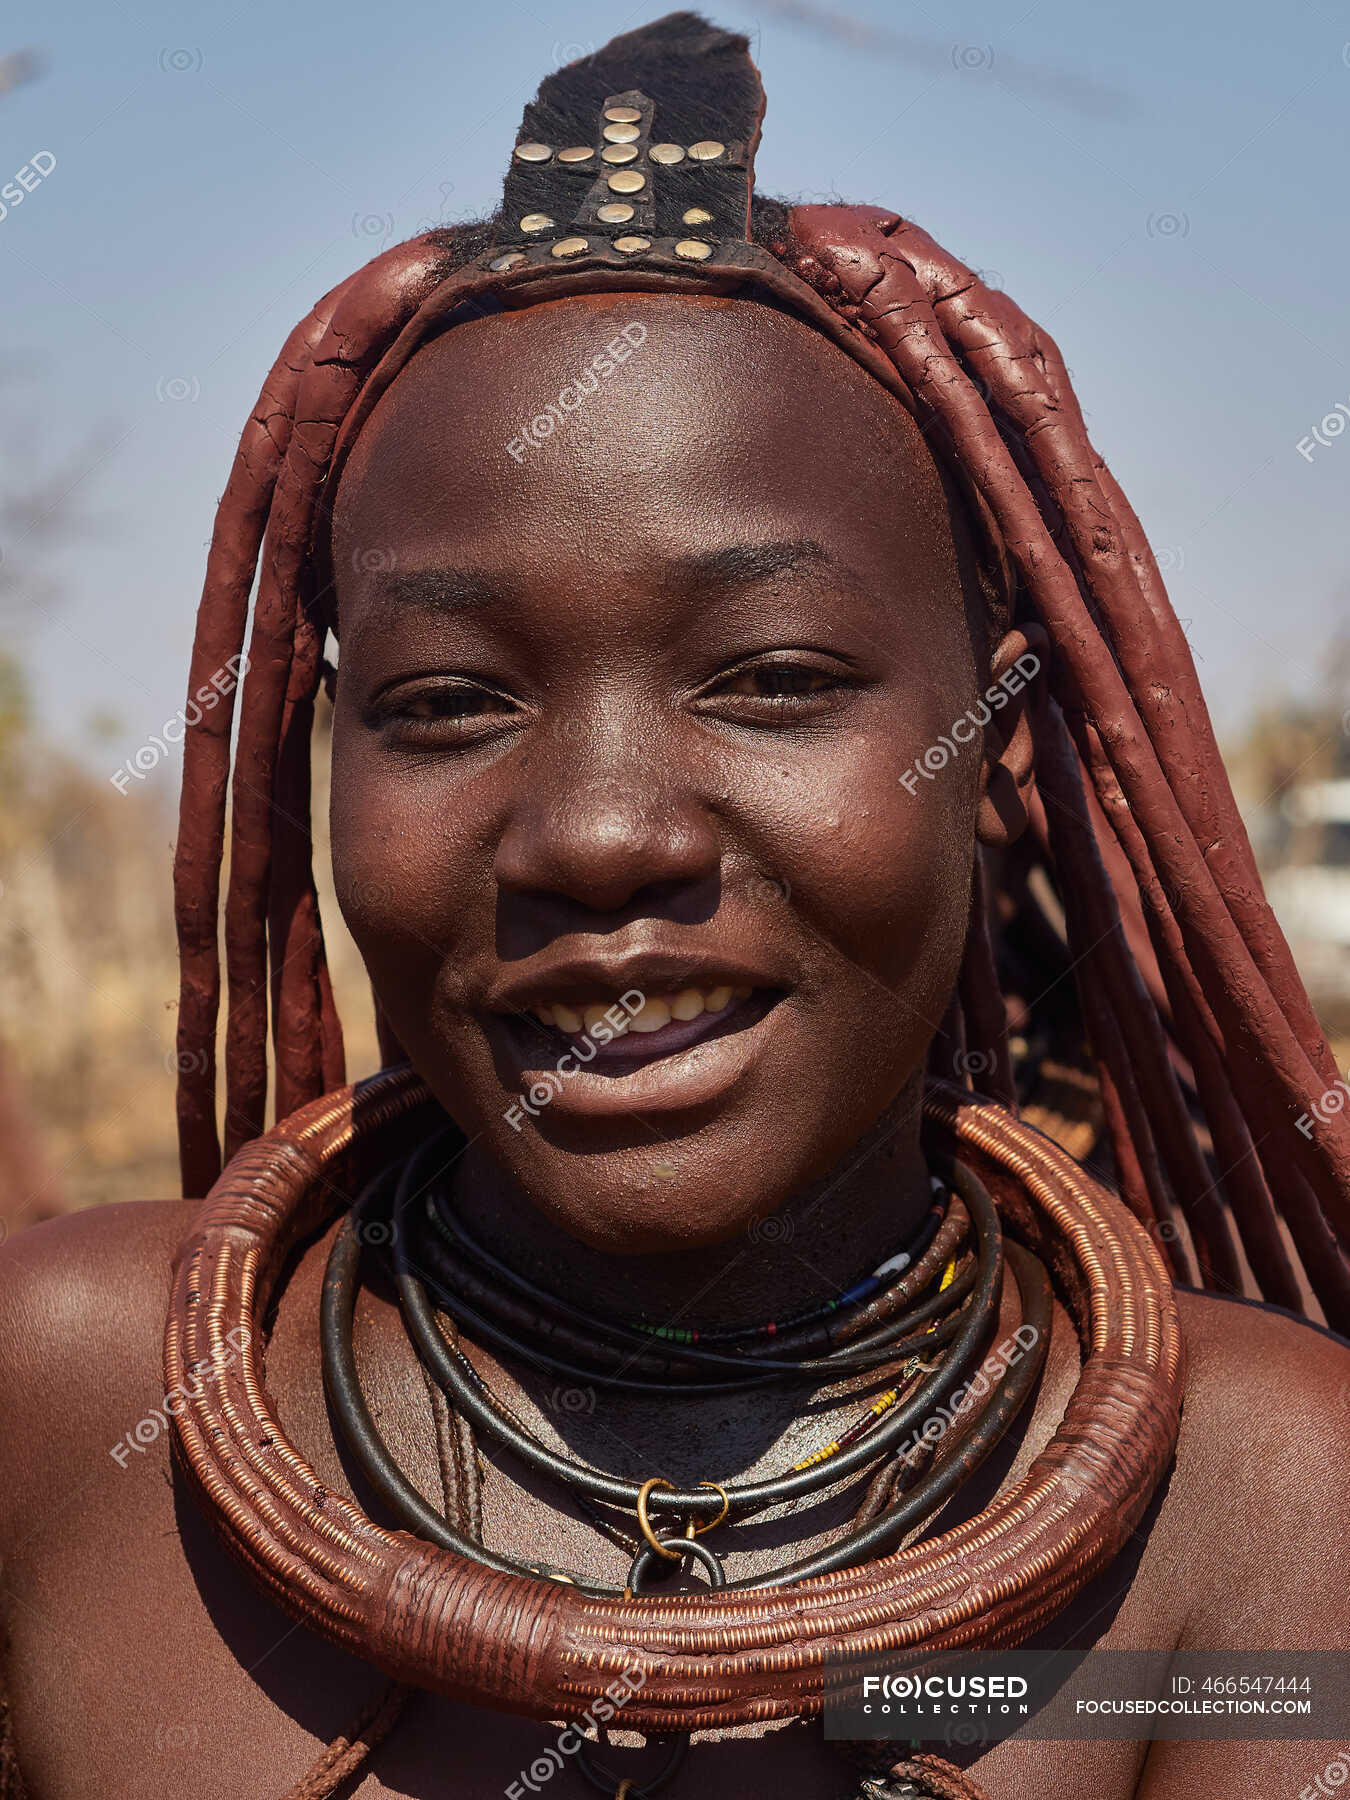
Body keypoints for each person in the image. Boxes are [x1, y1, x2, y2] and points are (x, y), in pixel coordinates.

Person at [1, 15, 1347, 1800]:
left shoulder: (1259, 1522)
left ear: (995, 750)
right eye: (450, 702)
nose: (601, 834)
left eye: (774, 678)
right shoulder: (72, 1407)